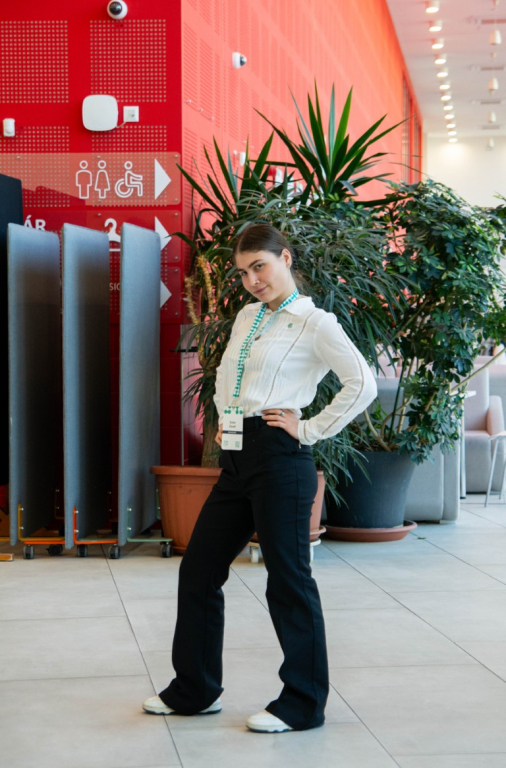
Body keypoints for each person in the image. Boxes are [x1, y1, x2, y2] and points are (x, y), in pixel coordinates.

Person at [142, 223, 377, 732]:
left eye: (260, 266)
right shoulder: (248, 316)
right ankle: (195, 690)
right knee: (199, 570)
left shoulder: (316, 322)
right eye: (244, 272)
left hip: (280, 458)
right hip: (236, 457)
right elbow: (230, 380)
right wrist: (226, 421)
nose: (252, 280)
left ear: (285, 258)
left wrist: (308, 428)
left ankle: (303, 703)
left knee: (288, 580)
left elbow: (362, 383)